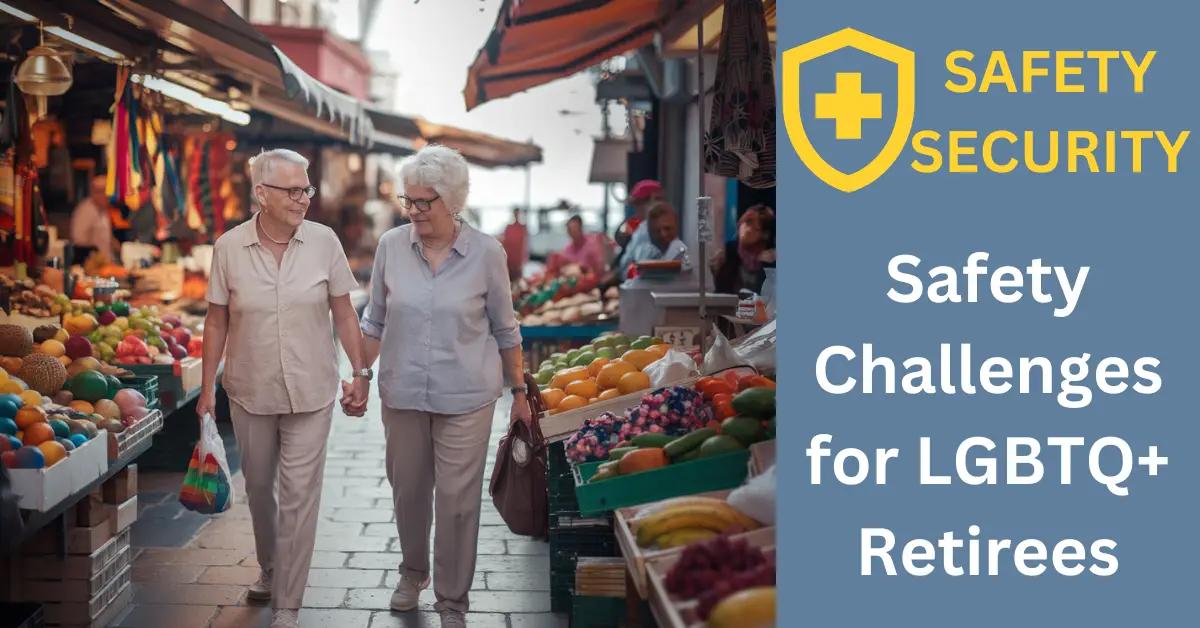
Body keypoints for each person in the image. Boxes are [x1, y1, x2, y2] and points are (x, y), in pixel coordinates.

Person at [351, 145, 529, 628]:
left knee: (456, 501)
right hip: (403, 392)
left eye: (424, 202)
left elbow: (505, 328)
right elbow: (376, 319)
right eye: (408, 201)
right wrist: (360, 374)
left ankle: (452, 600)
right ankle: (412, 573)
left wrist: (519, 395)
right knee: (408, 491)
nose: (414, 211)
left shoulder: (487, 253)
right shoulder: (391, 246)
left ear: (452, 201)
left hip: (467, 395)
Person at [197, 149, 370, 628]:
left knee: (299, 494)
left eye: (306, 188)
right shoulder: (229, 247)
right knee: (258, 486)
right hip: (250, 388)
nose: (303, 199)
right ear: (262, 194)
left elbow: (343, 312)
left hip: (312, 389)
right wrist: (207, 387)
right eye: (292, 190)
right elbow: (216, 320)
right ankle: (271, 569)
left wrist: (361, 372)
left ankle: (288, 604)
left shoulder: (324, 242)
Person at [711, 204, 776, 294]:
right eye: (747, 222)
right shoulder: (727, 254)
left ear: (764, 234)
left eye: (756, 228)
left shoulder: (770, 261)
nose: (748, 230)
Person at [613, 180, 664, 268]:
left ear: (654, 199)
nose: (635, 209)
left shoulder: (661, 230)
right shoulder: (641, 228)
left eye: (638, 203)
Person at [624, 201, 688, 267]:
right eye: (657, 231)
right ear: (650, 232)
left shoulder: (681, 253)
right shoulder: (648, 253)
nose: (663, 234)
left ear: (676, 226)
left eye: (667, 228)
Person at [69, 175, 115, 263]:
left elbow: (104, 234)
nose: (106, 196)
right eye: (101, 192)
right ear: (94, 192)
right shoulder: (85, 210)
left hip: (106, 262)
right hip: (91, 264)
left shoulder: (103, 209)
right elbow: (79, 241)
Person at [500, 206, 528, 281]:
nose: (516, 215)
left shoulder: (522, 228)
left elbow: (525, 244)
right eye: (515, 213)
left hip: (518, 259)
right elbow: (504, 242)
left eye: (518, 213)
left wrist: (524, 257)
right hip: (510, 258)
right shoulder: (508, 227)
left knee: (517, 279)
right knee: (509, 279)